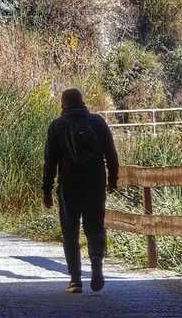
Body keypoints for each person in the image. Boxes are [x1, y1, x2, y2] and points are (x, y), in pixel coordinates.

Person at [42, 88, 119, 294]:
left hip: (69, 184)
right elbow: (111, 153)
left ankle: (75, 279)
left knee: (70, 230)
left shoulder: (57, 126)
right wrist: (112, 179)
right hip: (94, 182)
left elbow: (50, 162)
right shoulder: (98, 122)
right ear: (82, 102)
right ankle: (96, 267)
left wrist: (46, 190)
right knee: (95, 226)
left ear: (63, 105)